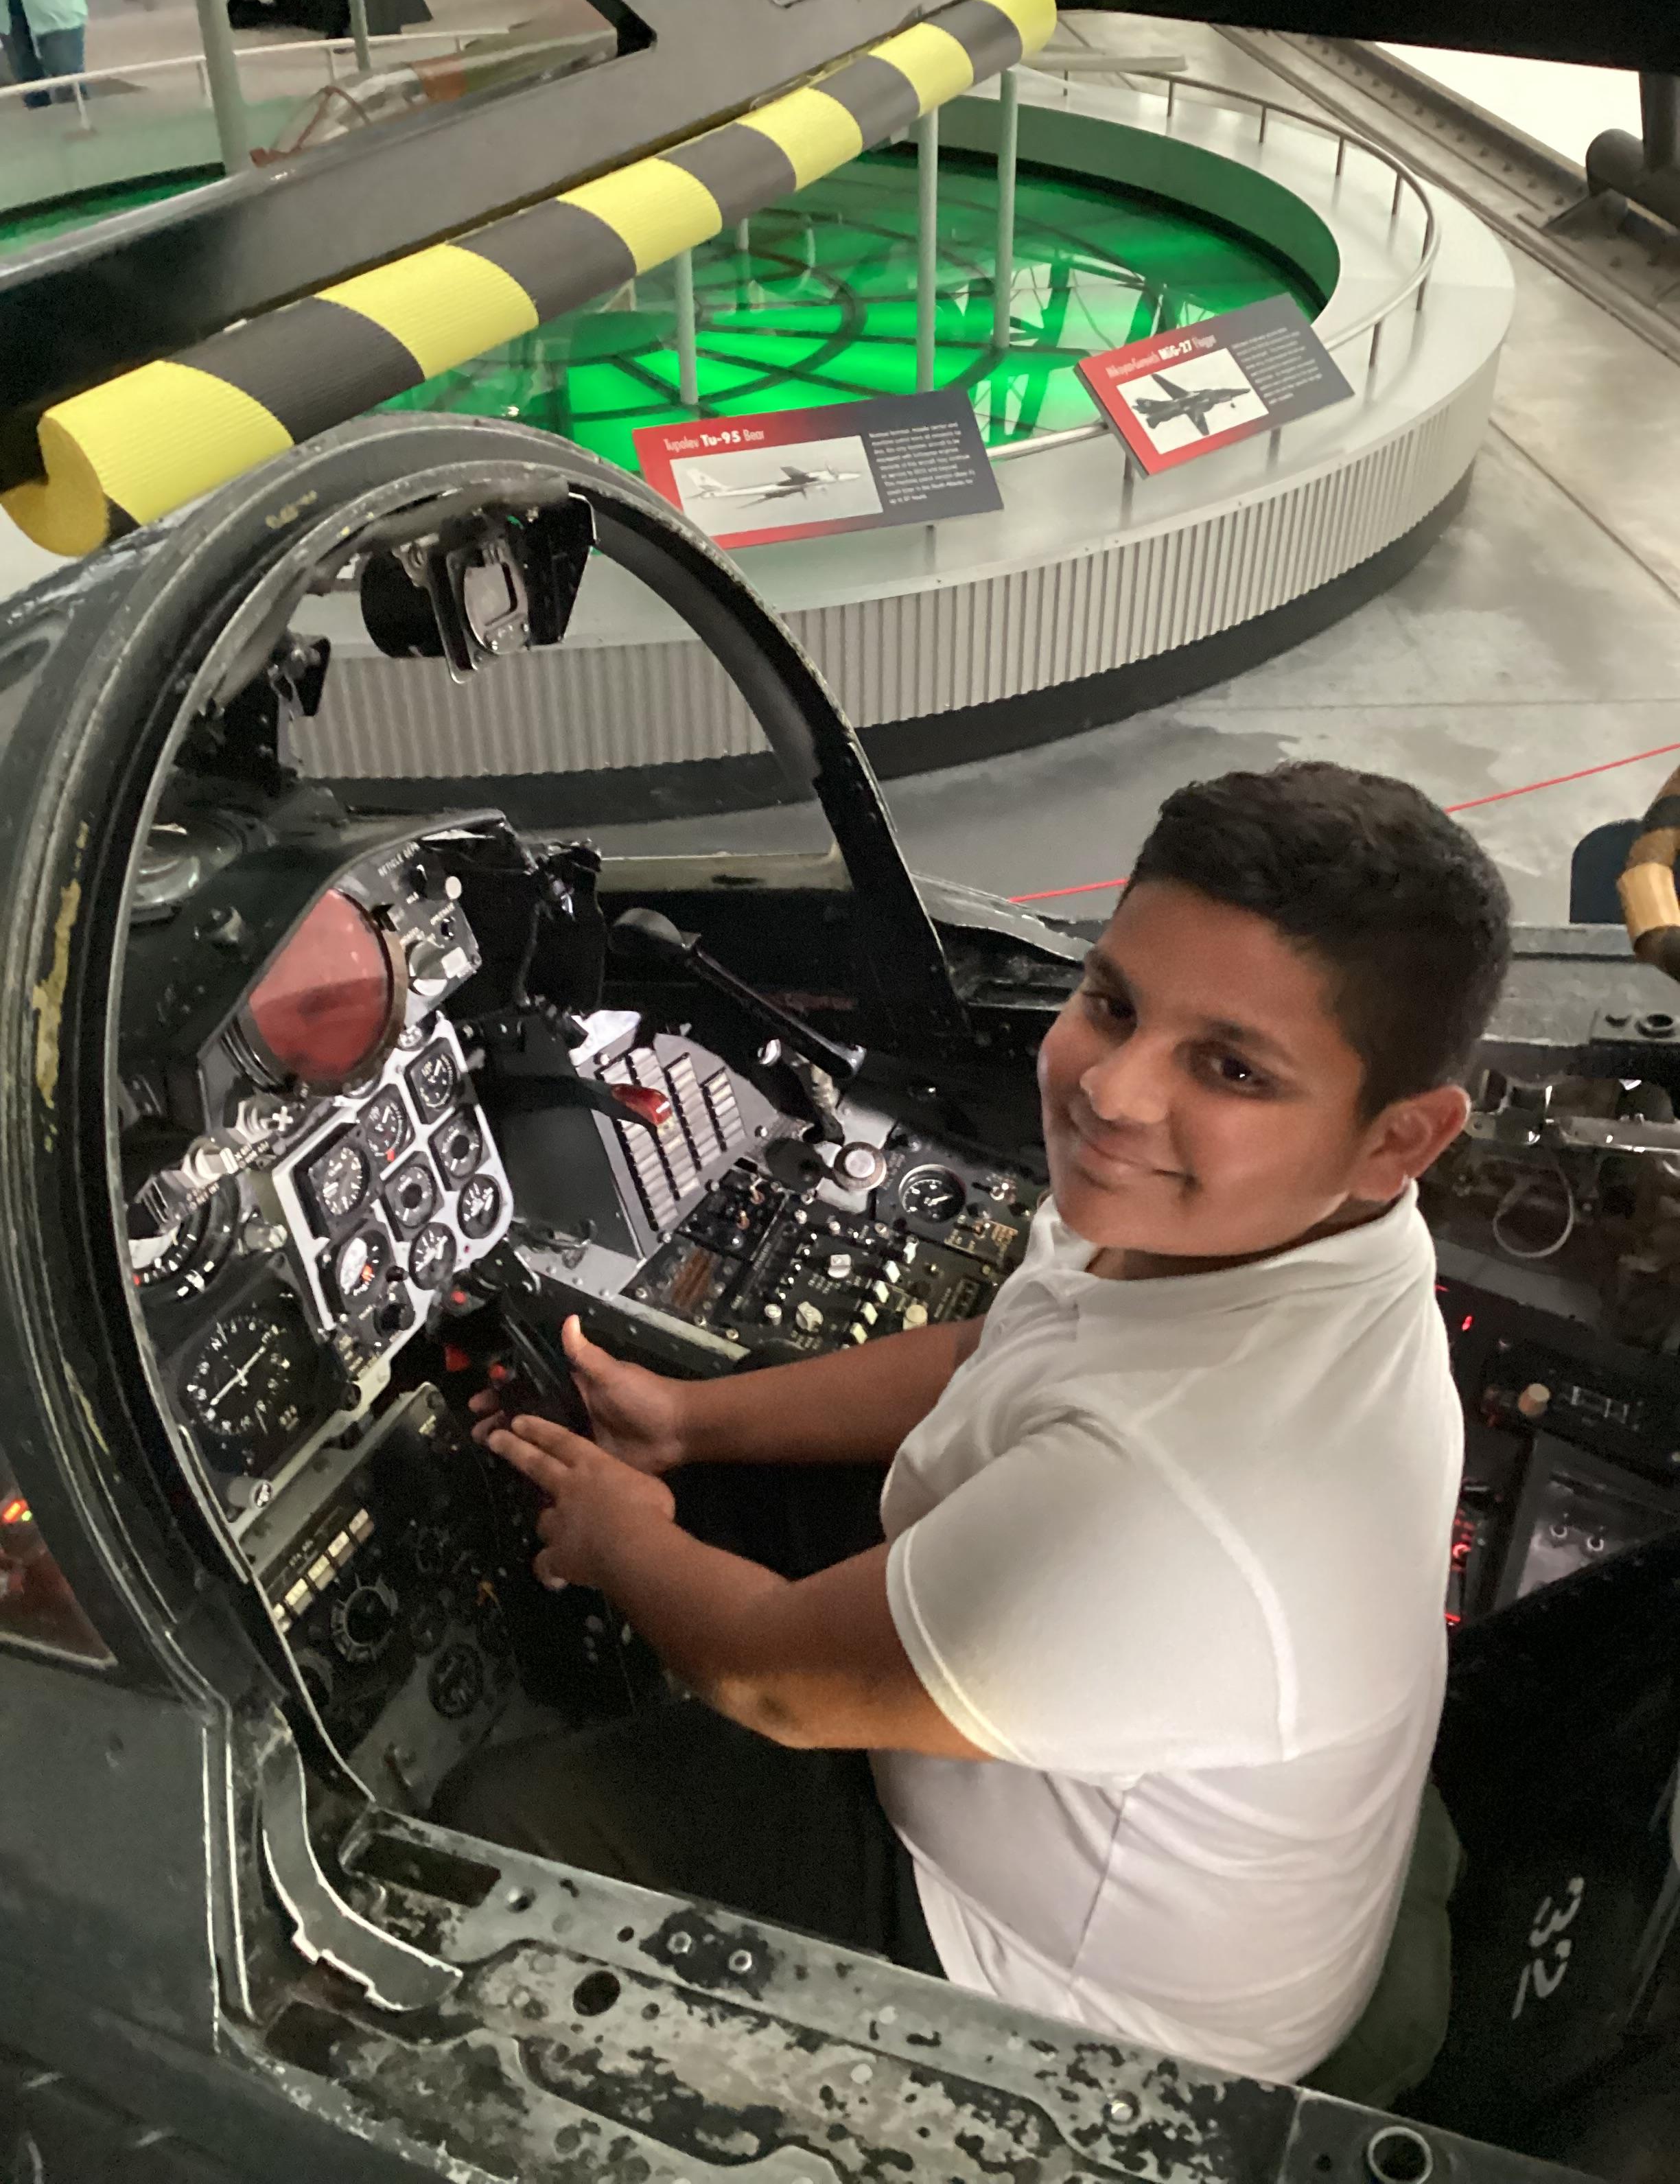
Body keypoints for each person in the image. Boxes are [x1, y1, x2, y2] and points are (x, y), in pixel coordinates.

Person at [437, 762, 1511, 2087]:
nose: (1112, 1091)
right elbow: (999, 1344)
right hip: (1171, 1834)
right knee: (717, 1480)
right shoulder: (1263, 1225)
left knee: (496, 1822)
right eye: (1112, 1001)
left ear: (1398, 1137)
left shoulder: (1177, 1495)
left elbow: (771, 1681)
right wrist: (685, 1424)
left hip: (1076, 2012)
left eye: (1230, 1065)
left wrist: (618, 1538)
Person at [1, 0, 86, 110]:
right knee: (29, 87)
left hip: (54, 7)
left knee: (69, 84)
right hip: (7, 13)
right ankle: (42, 124)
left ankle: (77, 123)